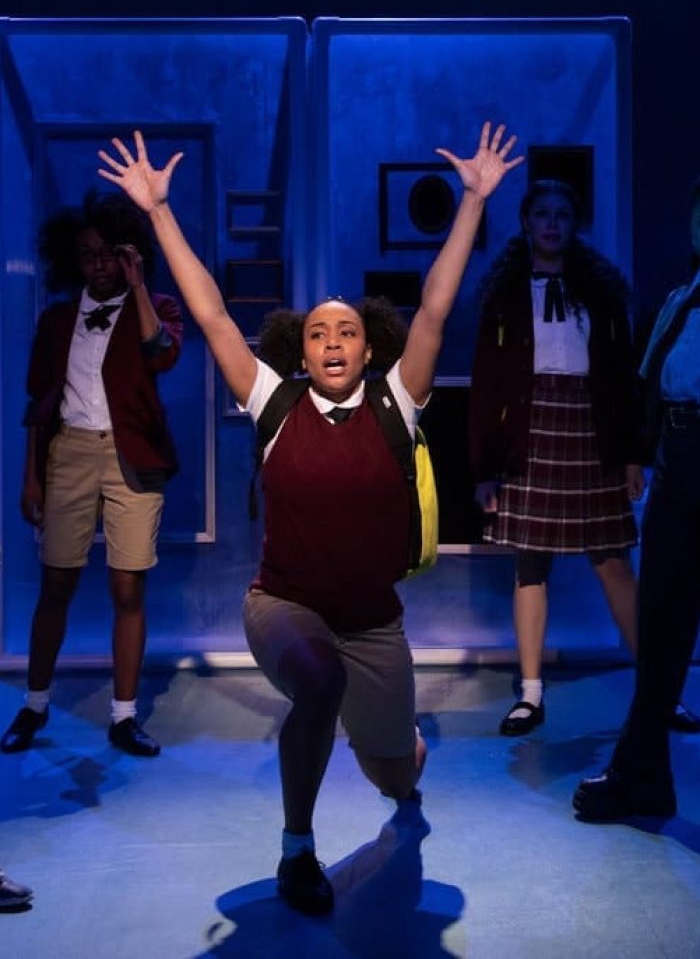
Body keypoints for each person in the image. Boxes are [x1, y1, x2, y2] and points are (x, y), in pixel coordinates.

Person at [96, 122, 523, 915]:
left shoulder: (397, 400)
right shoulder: (274, 401)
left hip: (374, 622)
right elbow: (212, 314)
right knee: (318, 684)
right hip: (284, 606)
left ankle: (403, 754)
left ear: (369, 350)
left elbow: (435, 308)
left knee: (394, 775)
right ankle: (298, 850)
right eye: (318, 333)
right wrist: (158, 212)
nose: (332, 341)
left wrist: (471, 201)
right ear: (301, 351)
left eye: (347, 332)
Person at [0, 191, 182, 758]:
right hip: (70, 453)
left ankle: (124, 717)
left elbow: (161, 354)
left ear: (128, 253)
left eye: (108, 253)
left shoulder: (155, 306)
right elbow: (38, 402)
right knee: (56, 583)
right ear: (72, 260)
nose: (98, 264)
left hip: (133, 455)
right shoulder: (57, 320)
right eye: (88, 255)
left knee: (128, 586)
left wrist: (139, 286)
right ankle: (34, 704)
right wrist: (31, 477)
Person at [470, 179, 654, 737]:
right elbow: (487, 384)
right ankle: (530, 693)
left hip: (592, 429)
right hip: (531, 428)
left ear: (574, 225)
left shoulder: (599, 290)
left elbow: (623, 378)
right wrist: (484, 468)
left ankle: (657, 688)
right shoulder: (506, 293)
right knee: (530, 563)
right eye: (542, 214)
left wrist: (632, 455)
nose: (552, 224)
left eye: (562, 215)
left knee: (613, 561)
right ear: (527, 223)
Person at [573, 177, 700, 820]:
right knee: (664, 620)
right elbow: (649, 382)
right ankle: (642, 773)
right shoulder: (682, 297)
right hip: (682, 456)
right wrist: (643, 454)